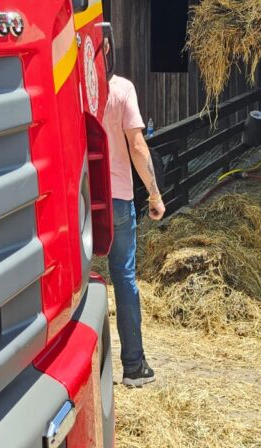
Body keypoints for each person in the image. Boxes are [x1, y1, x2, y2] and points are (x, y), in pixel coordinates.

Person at [103, 56, 165, 387]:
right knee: (124, 277)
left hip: (79, 197)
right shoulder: (122, 88)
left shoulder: (71, 87)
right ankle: (133, 366)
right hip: (116, 196)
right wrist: (154, 194)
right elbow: (138, 146)